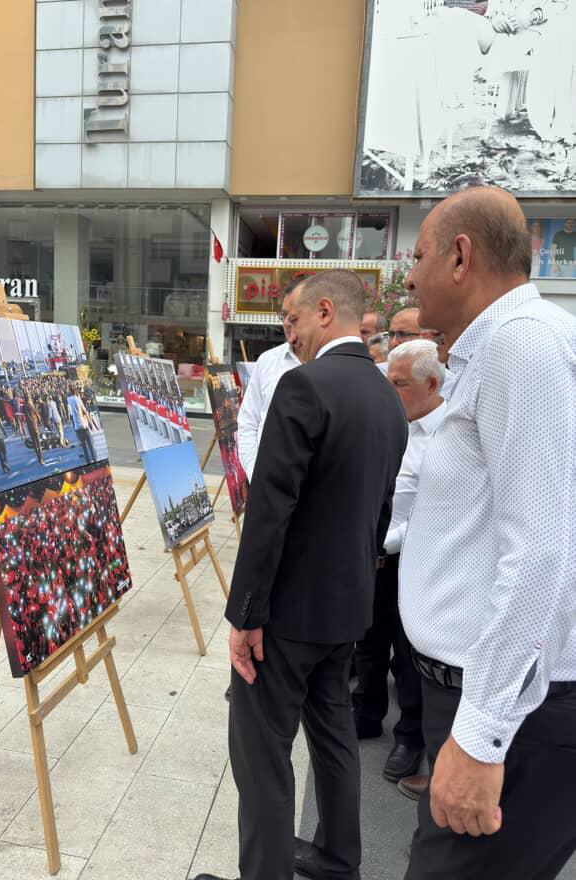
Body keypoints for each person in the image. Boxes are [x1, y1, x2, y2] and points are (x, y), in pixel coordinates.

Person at [192, 269, 408, 880]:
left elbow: (270, 508)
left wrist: (245, 615)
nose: (292, 335)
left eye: (293, 319)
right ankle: (340, 860)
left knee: (261, 752)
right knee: (334, 736)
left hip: (288, 613)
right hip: (347, 606)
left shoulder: (304, 386)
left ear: (323, 311)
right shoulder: (387, 397)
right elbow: (380, 510)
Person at [400, 185, 576, 880]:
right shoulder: (499, 349)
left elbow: (540, 551)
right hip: (498, 703)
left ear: (460, 257)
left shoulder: (521, 347)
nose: (409, 277)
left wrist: (481, 738)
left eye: (418, 256)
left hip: (517, 714)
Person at [352, 340, 446, 786]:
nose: (392, 392)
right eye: (388, 382)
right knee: (369, 640)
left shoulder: (449, 435)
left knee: (408, 654)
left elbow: (435, 510)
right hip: (374, 553)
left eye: (401, 384)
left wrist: (384, 544)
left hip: (412, 557)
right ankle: (367, 711)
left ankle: (410, 735)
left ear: (432, 383)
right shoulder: (389, 423)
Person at [236, 278, 308, 482]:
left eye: (294, 316)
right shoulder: (268, 361)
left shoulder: (329, 363)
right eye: (283, 315)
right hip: (266, 482)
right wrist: (254, 471)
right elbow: (248, 420)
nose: (287, 322)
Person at [67, 384, 96, 464]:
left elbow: (69, 411)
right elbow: (85, 411)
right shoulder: (78, 399)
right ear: (75, 391)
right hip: (83, 424)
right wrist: (91, 424)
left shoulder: (68, 400)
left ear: (70, 391)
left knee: (84, 446)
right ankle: (94, 459)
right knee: (90, 444)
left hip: (77, 426)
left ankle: (88, 461)